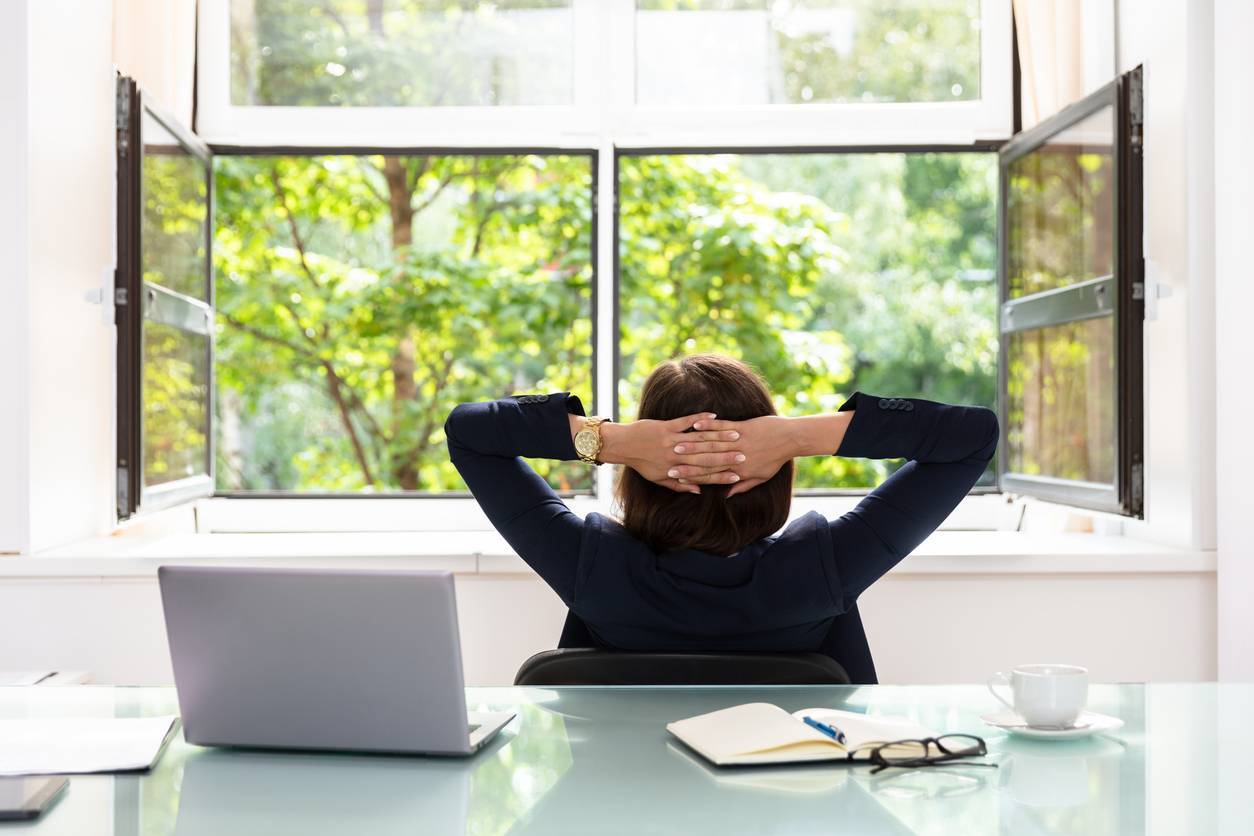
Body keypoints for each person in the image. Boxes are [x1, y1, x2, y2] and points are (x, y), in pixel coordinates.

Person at [444, 354, 998, 683]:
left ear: (640, 473)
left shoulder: (590, 568)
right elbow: (972, 438)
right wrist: (799, 435)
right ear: (774, 470)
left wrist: (608, 441)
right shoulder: (825, 569)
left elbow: (470, 433)